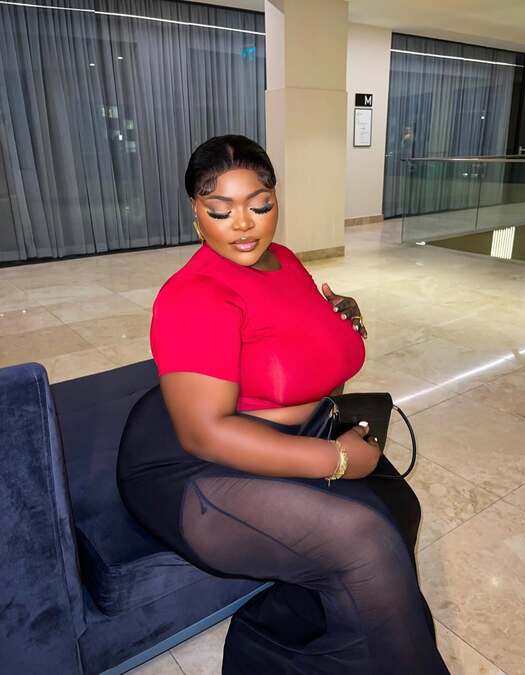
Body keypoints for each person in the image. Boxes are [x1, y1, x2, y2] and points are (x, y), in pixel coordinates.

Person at [116, 135, 450, 674]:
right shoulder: (193, 295)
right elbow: (204, 433)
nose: (243, 225)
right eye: (221, 210)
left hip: (289, 431)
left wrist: (338, 321)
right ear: (196, 212)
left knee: (398, 508)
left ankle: (294, 647)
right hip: (193, 465)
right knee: (363, 539)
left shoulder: (285, 260)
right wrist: (335, 461)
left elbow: (290, 341)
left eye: (260, 205)